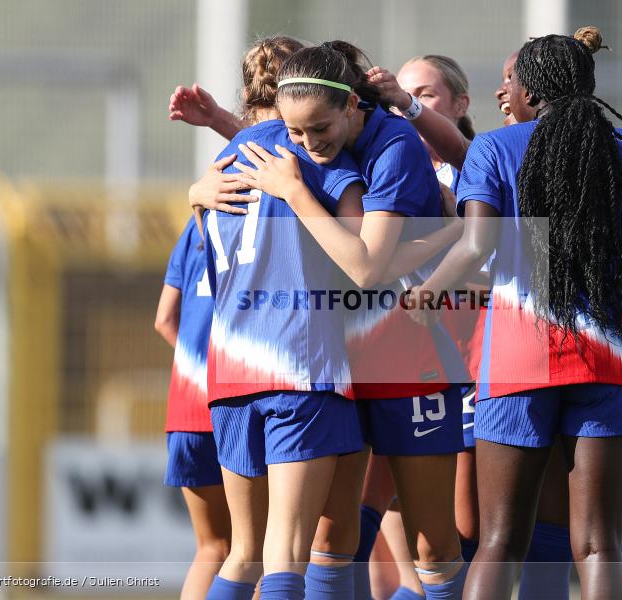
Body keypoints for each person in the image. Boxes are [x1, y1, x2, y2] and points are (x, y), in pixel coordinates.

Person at [406, 28, 622, 599]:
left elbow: (475, 246)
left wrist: (429, 294)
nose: (503, 92)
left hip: (518, 360)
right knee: (600, 544)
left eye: (510, 81)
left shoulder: (494, 150)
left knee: (500, 541)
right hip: (606, 361)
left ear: (531, 89)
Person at [231, 40, 470, 600]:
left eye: (320, 128)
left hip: (407, 358)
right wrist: (198, 189)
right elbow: (253, 147)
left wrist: (456, 233)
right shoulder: (300, 139)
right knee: (330, 540)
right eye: (297, 131)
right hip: (333, 362)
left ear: (352, 106)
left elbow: (368, 266)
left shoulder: (395, 146)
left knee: (434, 544)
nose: (309, 143)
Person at [197, 36, 367, 600]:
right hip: (300, 363)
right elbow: (361, 259)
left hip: (229, 370)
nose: (310, 140)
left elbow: (207, 240)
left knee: (243, 553)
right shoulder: (325, 162)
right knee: (290, 553)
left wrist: (195, 194)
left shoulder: (229, 155)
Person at [155, 216, 230, 600]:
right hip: (240, 403)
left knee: (212, 548)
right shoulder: (269, 211)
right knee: (262, 552)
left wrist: (197, 366)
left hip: (186, 408)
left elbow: (164, 319)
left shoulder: (195, 225)